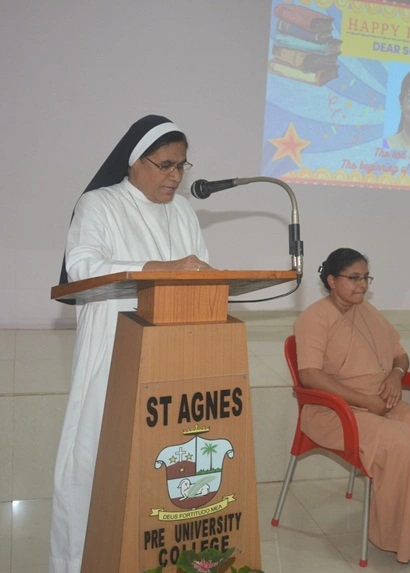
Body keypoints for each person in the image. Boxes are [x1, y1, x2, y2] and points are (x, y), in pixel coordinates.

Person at [51, 115, 211, 573]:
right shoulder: (99, 204)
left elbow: (203, 272)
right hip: (113, 352)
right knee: (99, 465)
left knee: (164, 465)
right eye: (165, 165)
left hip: (175, 358)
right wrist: (161, 269)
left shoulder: (184, 212)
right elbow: (82, 267)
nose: (175, 177)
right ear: (134, 161)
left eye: (181, 166)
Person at [294, 248, 410, 563]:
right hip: (336, 412)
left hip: (383, 402)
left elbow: (401, 356)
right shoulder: (314, 318)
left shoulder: (367, 311)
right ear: (332, 280)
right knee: (405, 446)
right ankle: (405, 541)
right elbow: (310, 375)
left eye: (366, 278)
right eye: (354, 278)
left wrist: (396, 377)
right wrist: (365, 401)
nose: (362, 285)